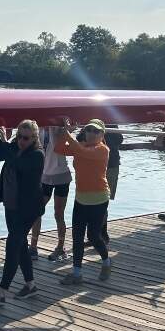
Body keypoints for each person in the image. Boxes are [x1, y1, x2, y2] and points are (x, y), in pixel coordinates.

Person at [0, 120, 45, 306]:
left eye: (25, 138)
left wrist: (5, 141)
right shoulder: (15, 148)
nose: (21, 141)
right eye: (19, 137)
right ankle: (30, 285)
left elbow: (18, 163)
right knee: (20, 244)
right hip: (12, 205)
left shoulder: (37, 155)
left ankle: (2, 291)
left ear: (34, 138)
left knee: (13, 245)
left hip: (28, 209)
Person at [53, 119, 112, 284]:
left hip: (99, 199)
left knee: (93, 236)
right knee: (77, 237)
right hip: (81, 199)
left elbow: (81, 151)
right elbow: (58, 148)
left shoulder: (103, 150)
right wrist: (64, 133)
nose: (92, 133)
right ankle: (77, 274)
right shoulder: (81, 146)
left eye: (96, 131)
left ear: (102, 135)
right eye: (89, 130)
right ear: (85, 132)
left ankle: (106, 262)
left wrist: (67, 133)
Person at [29, 126, 72, 262]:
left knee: (58, 213)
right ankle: (33, 247)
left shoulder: (59, 129)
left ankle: (60, 247)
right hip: (44, 176)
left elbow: (57, 145)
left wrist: (66, 129)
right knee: (36, 210)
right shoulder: (38, 129)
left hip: (61, 175)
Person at [101, 124, 124, 243]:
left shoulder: (111, 123)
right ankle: (97, 233)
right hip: (99, 164)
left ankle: (102, 234)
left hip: (111, 165)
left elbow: (120, 139)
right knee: (97, 201)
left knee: (103, 201)